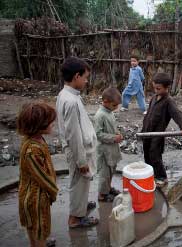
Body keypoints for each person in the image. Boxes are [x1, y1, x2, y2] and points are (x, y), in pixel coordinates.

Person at [56, 57, 99, 228]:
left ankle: (80, 206)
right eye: (85, 77)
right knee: (78, 182)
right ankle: (75, 218)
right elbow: (73, 134)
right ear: (76, 77)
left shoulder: (65, 94)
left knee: (82, 183)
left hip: (79, 148)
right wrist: (81, 161)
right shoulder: (71, 101)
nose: (87, 81)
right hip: (77, 150)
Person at [17, 102, 59, 247]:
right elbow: (42, 178)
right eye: (49, 122)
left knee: (32, 226)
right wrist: (53, 192)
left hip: (30, 194)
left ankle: (34, 244)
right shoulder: (32, 150)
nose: (53, 124)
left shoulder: (35, 139)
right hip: (35, 197)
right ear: (38, 125)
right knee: (40, 228)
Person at [142, 72, 182, 186]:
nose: (156, 90)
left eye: (158, 89)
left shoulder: (169, 101)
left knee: (155, 155)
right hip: (147, 132)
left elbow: (177, 114)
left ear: (167, 88)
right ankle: (151, 175)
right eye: (154, 88)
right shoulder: (154, 98)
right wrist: (143, 129)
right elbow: (148, 114)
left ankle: (162, 177)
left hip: (157, 134)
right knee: (147, 154)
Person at [94, 87, 123, 202]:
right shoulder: (100, 115)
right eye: (114, 105)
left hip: (112, 147)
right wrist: (113, 137)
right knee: (104, 173)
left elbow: (111, 127)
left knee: (112, 170)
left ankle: (108, 188)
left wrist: (117, 133)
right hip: (104, 150)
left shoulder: (109, 112)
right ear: (105, 101)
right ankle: (102, 195)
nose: (116, 108)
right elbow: (98, 134)